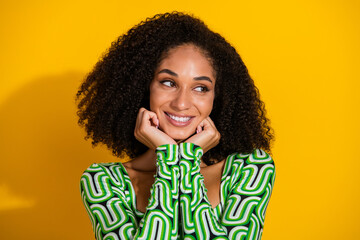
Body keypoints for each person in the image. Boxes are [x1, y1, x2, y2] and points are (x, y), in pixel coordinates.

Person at [76, 12, 275, 240]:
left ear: (216, 99)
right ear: (144, 87)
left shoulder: (249, 169)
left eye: (200, 88)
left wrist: (185, 158)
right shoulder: (104, 182)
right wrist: (171, 156)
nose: (181, 103)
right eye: (168, 83)